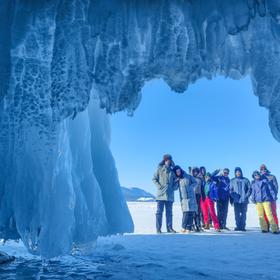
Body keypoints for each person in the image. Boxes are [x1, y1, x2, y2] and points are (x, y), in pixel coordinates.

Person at [152, 154, 178, 234]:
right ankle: (158, 229)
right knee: (159, 212)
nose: (168, 161)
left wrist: (176, 184)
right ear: (164, 161)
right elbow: (154, 179)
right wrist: (159, 187)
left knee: (169, 213)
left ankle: (169, 228)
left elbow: (175, 186)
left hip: (169, 196)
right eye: (167, 160)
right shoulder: (159, 169)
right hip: (160, 195)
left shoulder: (173, 172)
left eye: (169, 160)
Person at [173, 166, 197, 233]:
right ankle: (183, 227)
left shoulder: (188, 176)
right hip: (184, 199)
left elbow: (195, 182)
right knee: (185, 213)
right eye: (177, 172)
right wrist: (175, 181)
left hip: (191, 197)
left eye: (179, 171)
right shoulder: (178, 179)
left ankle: (188, 228)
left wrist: (191, 187)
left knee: (191, 213)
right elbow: (175, 188)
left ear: (181, 170)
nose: (178, 173)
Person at [230, 167, 251, 231]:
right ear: (235, 173)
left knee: (243, 214)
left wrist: (246, 196)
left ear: (241, 172)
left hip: (244, 200)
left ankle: (242, 226)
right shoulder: (232, 180)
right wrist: (233, 197)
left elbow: (249, 189)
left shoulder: (246, 180)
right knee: (237, 214)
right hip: (236, 200)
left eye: (239, 172)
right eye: (237, 172)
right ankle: (238, 226)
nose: (238, 173)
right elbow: (230, 190)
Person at [192, 167, 203, 231]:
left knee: (198, 211)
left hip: (198, 195)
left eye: (197, 172)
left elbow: (201, 188)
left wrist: (203, 196)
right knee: (193, 211)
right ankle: (192, 225)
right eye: (194, 172)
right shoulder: (191, 178)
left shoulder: (199, 179)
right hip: (192, 196)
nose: (195, 173)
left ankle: (198, 225)